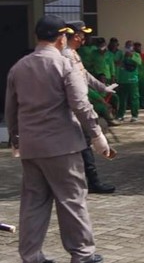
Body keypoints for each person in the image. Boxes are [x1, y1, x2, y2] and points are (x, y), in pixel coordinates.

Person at [5, 15, 110, 263]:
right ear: (61, 37)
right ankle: (82, 253)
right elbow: (80, 105)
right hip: (62, 145)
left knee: (33, 202)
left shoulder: (19, 67)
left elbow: (11, 109)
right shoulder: (65, 66)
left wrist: (16, 139)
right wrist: (97, 135)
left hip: (31, 147)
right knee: (72, 199)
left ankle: (31, 256)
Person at [64, 20, 118, 194]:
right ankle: (90, 182)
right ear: (75, 35)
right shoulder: (65, 55)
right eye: (82, 34)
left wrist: (103, 88)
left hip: (78, 107)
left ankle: (90, 181)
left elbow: (85, 75)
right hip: (74, 108)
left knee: (84, 144)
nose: (84, 38)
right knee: (81, 145)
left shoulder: (73, 53)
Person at [116, 40, 142, 122]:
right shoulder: (120, 54)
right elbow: (116, 63)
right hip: (122, 80)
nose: (129, 47)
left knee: (134, 98)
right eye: (127, 45)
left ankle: (135, 115)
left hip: (133, 80)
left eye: (130, 45)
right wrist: (123, 57)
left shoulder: (136, 55)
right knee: (122, 99)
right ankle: (120, 115)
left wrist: (131, 56)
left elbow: (139, 62)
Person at [133, 41, 144, 108]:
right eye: (136, 47)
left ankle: (143, 105)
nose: (138, 48)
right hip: (135, 77)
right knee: (136, 92)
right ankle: (137, 105)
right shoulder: (132, 56)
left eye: (139, 47)